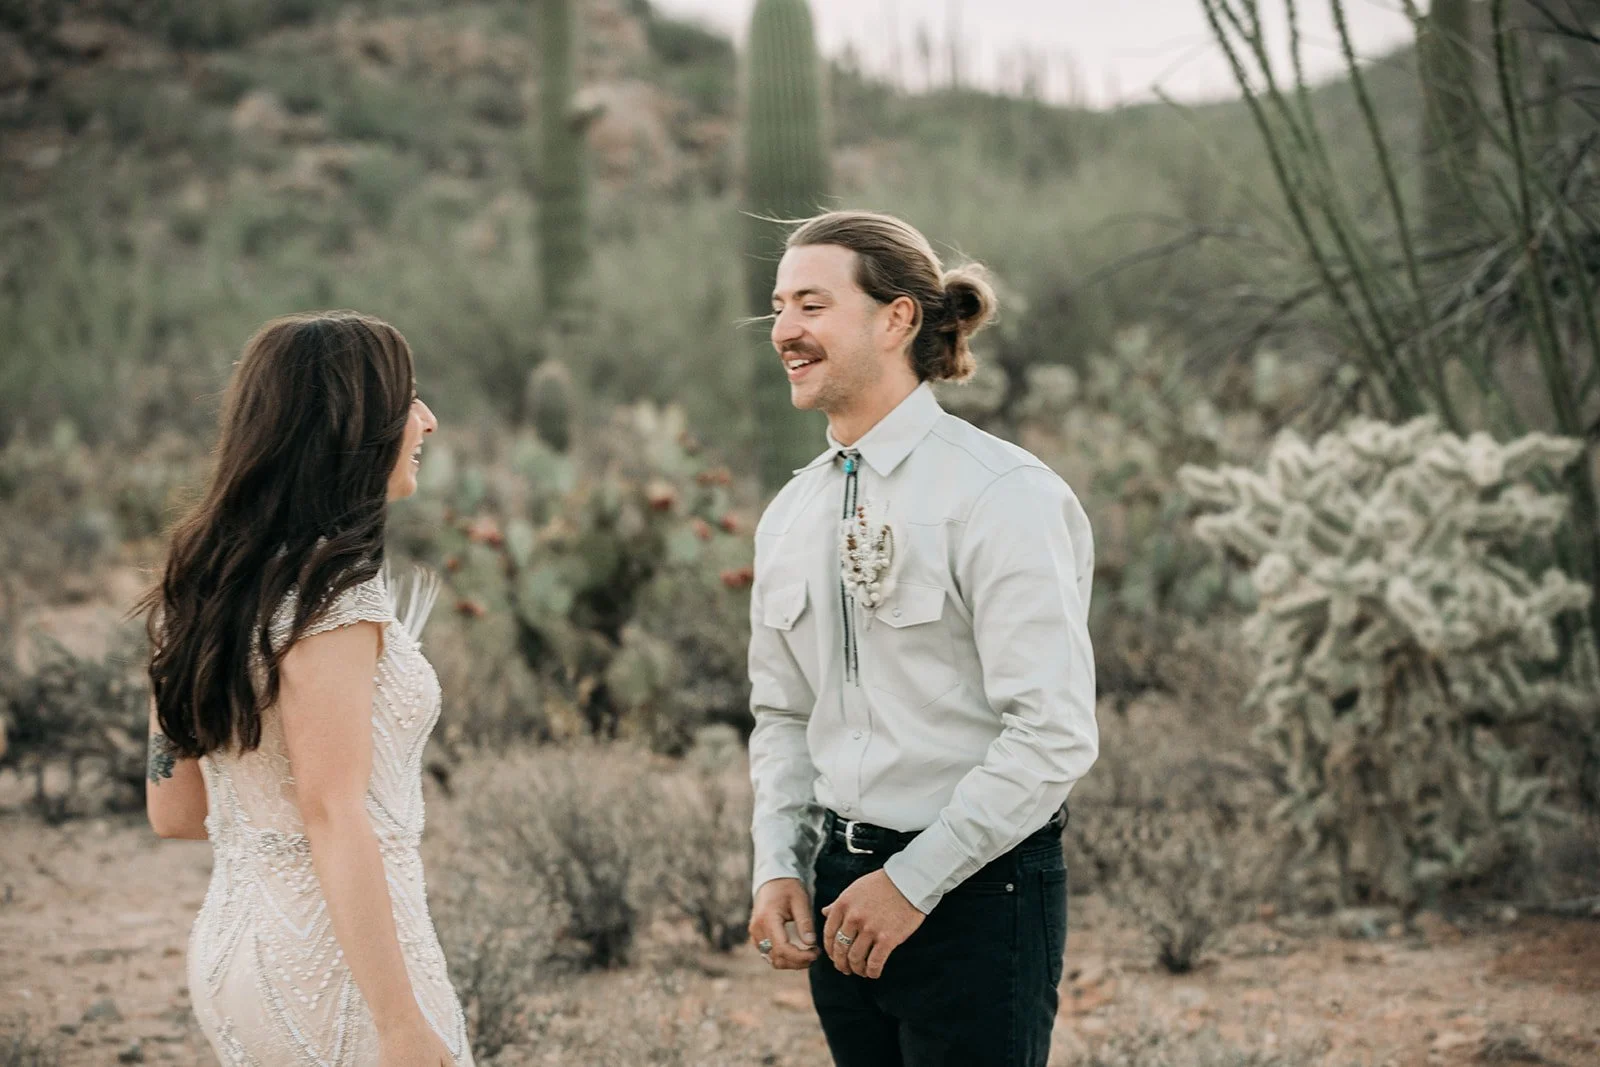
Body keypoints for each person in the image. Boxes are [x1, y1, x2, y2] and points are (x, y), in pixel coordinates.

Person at [746, 211, 1098, 1067]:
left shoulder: (1002, 493)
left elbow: (1051, 733)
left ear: (896, 318)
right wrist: (779, 861)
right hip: (840, 892)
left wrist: (912, 882)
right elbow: (783, 712)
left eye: (812, 304)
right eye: (779, 306)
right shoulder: (792, 511)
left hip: (978, 892)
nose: (785, 331)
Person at [139, 311, 471, 1067]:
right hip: (338, 964)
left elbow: (176, 810)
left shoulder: (203, 589)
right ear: (349, 427)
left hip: (235, 944)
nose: (427, 420)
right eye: (407, 399)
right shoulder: (334, 600)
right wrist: (400, 1025)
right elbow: (332, 811)